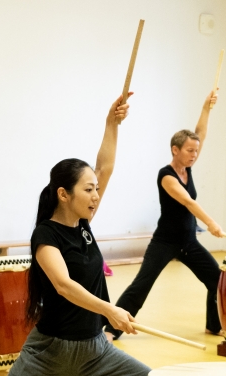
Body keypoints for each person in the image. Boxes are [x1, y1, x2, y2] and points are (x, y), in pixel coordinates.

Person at [10, 92, 151, 376]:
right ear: (63, 194)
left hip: (96, 351)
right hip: (49, 354)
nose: (96, 196)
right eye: (88, 190)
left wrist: (112, 123)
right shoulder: (46, 235)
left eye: (96, 189)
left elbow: (104, 168)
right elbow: (63, 285)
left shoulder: (83, 226)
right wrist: (110, 310)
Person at [109, 87, 224, 338]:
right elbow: (189, 203)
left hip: (188, 242)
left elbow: (200, 134)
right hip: (165, 242)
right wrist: (212, 223)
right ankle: (111, 329)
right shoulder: (167, 176)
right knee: (141, 285)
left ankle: (214, 325)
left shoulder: (188, 168)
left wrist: (206, 107)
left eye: (196, 150)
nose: (195, 154)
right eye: (190, 150)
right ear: (175, 150)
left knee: (217, 279)